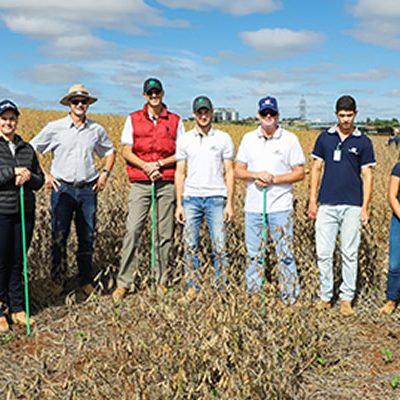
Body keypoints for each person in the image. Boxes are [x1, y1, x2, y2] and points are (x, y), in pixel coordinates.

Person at [30, 84, 116, 296]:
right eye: (75, 101)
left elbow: (110, 151)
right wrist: (45, 175)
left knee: (86, 237)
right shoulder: (55, 127)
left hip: (88, 190)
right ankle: (58, 281)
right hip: (63, 190)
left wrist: (104, 173)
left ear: (88, 104)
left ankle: (85, 280)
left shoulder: (96, 130)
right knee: (59, 236)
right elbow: (32, 149)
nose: (80, 105)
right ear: (69, 104)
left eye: (83, 101)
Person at [112, 78, 185, 303]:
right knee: (133, 230)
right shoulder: (133, 119)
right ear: (144, 95)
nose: (154, 96)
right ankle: (124, 283)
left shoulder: (175, 121)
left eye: (157, 92)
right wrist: (145, 166)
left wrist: (159, 165)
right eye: (150, 92)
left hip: (166, 182)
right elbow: (126, 151)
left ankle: (162, 280)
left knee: (164, 234)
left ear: (163, 93)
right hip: (140, 182)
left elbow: (182, 153)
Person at [308, 95, 375, 316]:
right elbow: (316, 168)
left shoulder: (363, 141)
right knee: (324, 254)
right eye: (342, 115)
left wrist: (365, 206)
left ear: (355, 114)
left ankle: (347, 297)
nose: (345, 119)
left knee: (349, 253)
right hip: (326, 204)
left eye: (349, 115)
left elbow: (367, 175)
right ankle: (325, 296)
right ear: (336, 114)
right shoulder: (324, 138)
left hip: (352, 206)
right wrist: (312, 201)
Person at [235, 96, 305, 305]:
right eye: (264, 114)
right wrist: (256, 175)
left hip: (280, 206)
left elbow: (300, 172)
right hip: (254, 207)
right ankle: (255, 295)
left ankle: (290, 297)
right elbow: (238, 170)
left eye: (271, 114)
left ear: (277, 116)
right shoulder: (248, 139)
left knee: (285, 253)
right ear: (258, 115)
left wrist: (275, 179)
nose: (268, 118)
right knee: (254, 253)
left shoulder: (289, 139)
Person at [175, 96, 235, 298]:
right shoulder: (184, 139)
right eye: (199, 112)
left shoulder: (223, 138)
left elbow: (229, 171)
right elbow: (180, 172)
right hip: (191, 198)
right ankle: (193, 287)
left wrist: (230, 203)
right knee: (190, 245)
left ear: (212, 112)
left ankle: (221, 288)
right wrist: (179, 204)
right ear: (194, 114)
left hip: (216, 198)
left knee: (220, 246)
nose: (203, 116)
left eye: (206, 111)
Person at [0, 100, 44, 333]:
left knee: (18, 261)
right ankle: (0, 310)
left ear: (17, 121)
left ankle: (17, 308)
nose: (8, 122)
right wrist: (11, 173)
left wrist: (29, 176)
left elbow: (40, 180)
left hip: (25, 212)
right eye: (4, 118)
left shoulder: (27, 148)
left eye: (12, 118)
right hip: (2, 213)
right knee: (1, 262)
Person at [380, 162, 400, 315]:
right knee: (394, 264)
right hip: (398, 220)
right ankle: (391, 299)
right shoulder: (398, 167)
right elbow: (392, 196)